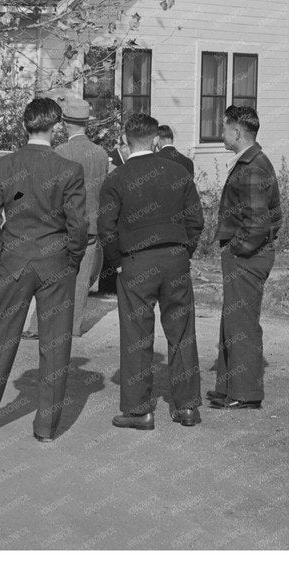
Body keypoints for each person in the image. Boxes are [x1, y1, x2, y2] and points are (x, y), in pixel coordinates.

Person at [0, 96, 86, 442]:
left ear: (25, 125)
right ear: (56, 128)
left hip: (15, 259)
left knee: (0, 339)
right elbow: (79, 224)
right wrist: (73, 260)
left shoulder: (1, 167)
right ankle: (46, 428)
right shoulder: (69, 170)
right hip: (55, 262)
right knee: (55, 343)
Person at [97, 113, 205, 430]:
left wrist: (117, 261)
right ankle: (187, 408)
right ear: (156, 139)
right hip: (175, 259)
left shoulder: (116, 179)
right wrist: (183, 252)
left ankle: (138, 410)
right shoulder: (179, 172)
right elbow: (196, 221)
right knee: (182, 332)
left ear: (126, 142)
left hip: (135, 262)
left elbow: (106, 228)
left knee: (136, 335)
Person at [210, 104, 282, 410]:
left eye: (225, 128)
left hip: (247, 256)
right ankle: (230, 388)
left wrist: (236, 249)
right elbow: (272, 218)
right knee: (233, 319)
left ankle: (246, 394)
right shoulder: (253, 161)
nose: (222, 132)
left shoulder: (252, 166)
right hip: (249, 254)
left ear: (237, 132)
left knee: (242, 322)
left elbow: (258, 222)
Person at [23, 97, 109, 339]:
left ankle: (38, 327)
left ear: (65, 123)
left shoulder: (59, 152)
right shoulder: (101, 154)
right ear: (86, 124)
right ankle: (73, 327)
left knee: (50, 278)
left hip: (62, 225)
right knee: (81, 281)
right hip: (90, 225)